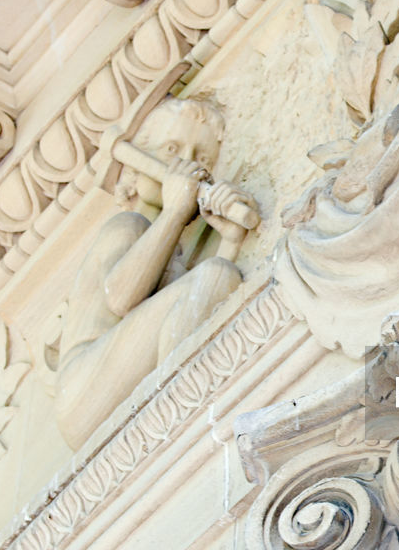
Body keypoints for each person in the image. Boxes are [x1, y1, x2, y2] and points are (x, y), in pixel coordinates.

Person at [55, 97, 255, 449]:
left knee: (218, 275)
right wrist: (176, 211)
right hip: (85, 389)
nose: (187, 164)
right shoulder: (129, 225)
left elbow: (190, 319)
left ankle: (180, 415)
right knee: (215, 276)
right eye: (172, 149)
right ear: (135, 165)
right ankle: (179, 416)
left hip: (116, 382)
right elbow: (120, 296)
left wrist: (231, 240)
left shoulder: (172, 249)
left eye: (202, 158)